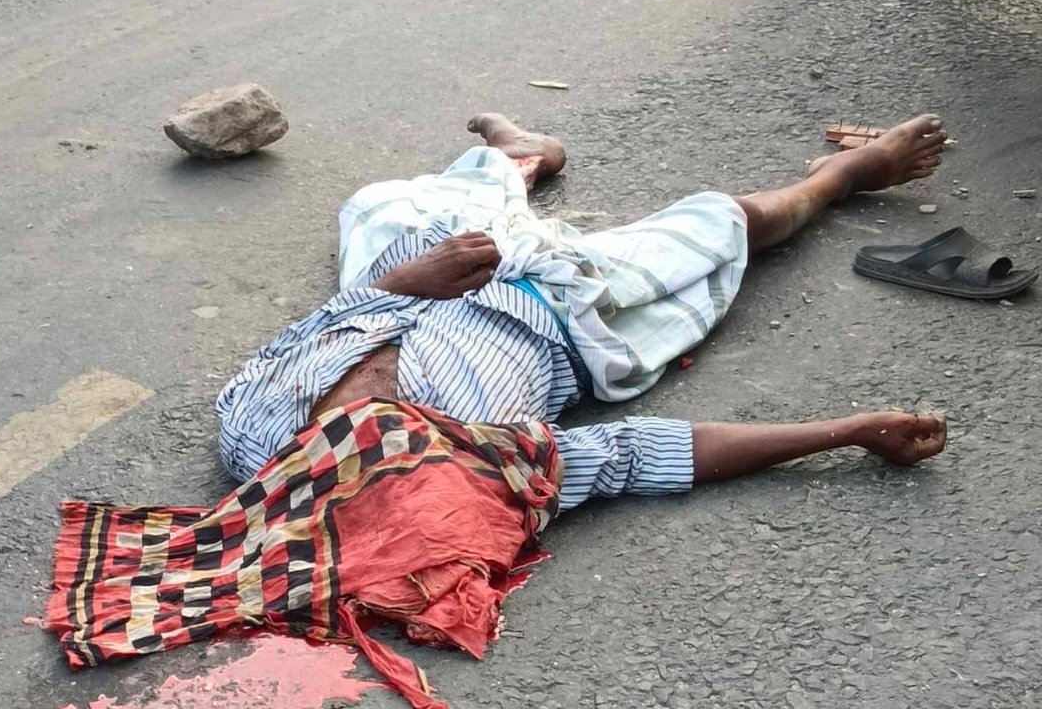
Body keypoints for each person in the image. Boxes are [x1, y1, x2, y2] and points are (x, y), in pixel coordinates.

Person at [216, 113, 948, 511]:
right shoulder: (479, 470)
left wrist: (402, 282)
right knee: (722, 226)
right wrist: (848, 431)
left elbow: (302, 335)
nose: (386, 426)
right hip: (565, 308)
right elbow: (643, 454)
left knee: (380, 206)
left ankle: (521, 158)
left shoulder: (253, 428)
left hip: (425, 270)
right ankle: (840, 176)